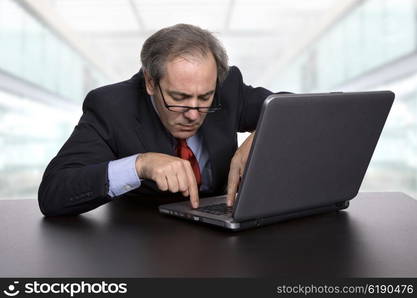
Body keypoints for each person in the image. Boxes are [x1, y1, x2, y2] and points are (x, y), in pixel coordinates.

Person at [38, 24, 278, 216]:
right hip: (143, 245)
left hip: (226, 237)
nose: (193, 114)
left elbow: (296, 111)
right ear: (150, 82)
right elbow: (53, 193)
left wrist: (263, 137)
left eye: (205, 98)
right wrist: (139, 165)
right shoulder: (111, 107)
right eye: (178, 97)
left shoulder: (227, 86)